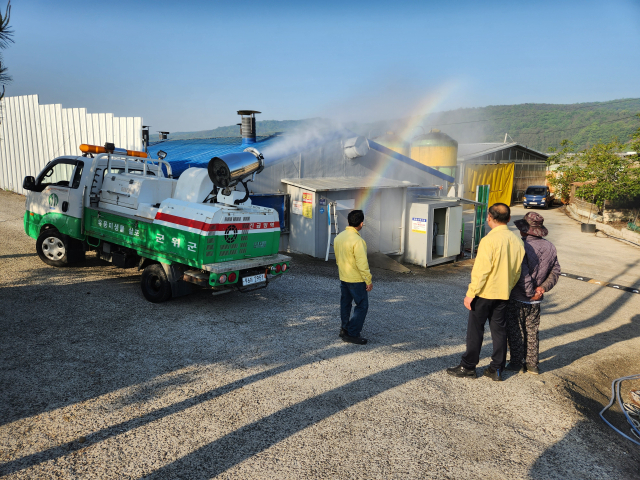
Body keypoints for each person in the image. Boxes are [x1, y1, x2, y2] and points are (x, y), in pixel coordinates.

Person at [447, 203, 525, 381]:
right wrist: (508, 287)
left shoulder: (489, 240)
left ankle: (468, 366)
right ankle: (497, 369)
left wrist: (471, 293)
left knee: (476, 330)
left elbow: (481, 270)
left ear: (489, 217)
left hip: (484, 292)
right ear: (509, 219)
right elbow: (517, 271)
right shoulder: (517, 241)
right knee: (499, 331)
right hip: (504, 293)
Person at [505, 212, 561, 375]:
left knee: (515, 329)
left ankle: (516, 362)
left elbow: (523, 272)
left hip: (518, 296)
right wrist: (542, 288)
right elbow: (556, 270)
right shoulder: (550, 247)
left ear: (525, 230)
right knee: (532, 330)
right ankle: (532, 364)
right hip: (536, 301)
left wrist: (530, 292)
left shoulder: (521, 246)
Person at [334, 209, 373, 345]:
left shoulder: (339, 237)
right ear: (361, 223)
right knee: (362, 305)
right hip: (356, 280)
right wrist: (368, 280)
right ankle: (352, 333)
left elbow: (338, 259)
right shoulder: (358, 241)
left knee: (345, 304)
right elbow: (362, 263)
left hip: (343, 277)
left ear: (349, 221)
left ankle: (344, 328)